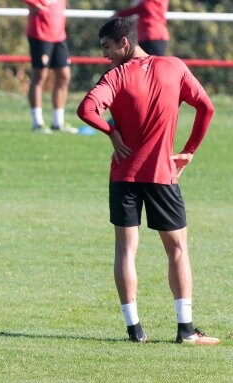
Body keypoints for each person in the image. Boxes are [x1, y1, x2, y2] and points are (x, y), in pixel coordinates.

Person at [76, 18, 219, 345]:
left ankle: (135, 330)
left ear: (124, 43)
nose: (105, 55)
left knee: (126, 251)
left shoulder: (115, 77)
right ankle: (186, 330)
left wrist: (112, 132)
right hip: (161, 175)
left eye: (107, 47)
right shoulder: (174, 67)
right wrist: (188, 151)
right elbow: (206, 108)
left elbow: (86, 109)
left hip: (124, 176)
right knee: (178, 249)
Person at [20, 0, 77, 134]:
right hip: (40, 33)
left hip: (59, 34)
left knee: (64, 76)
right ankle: (37, 123)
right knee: (40, 76)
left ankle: (58, 122)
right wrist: (37, 5)